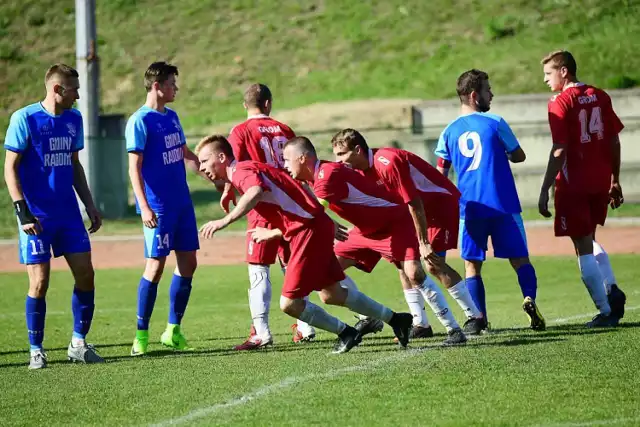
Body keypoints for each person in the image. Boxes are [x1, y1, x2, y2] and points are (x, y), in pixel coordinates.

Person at [195, 135, 414, 353]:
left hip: (306, 230)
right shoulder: (246, 168)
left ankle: (347, 333)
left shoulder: (241, 171)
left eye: (204, 161)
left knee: (289, 304)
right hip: (312, 226)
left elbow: (255, 191)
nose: (201, 168)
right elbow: (287, 189)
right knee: (333, 294)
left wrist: (225, 220)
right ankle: (396, 319)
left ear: (222, 157)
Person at [282, 137, 467, 345]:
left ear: (303, 158)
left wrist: (274, 233)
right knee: (325, 285)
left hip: (395, 223)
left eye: (286, 160)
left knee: (414, 273)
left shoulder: (327, 175)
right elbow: (316, 210)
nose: (284, 165)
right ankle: (377, 318)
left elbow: (312, 214)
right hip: (364, 232)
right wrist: (331, 223)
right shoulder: (311, 177)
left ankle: (455, 330)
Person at [331, 129, 486, 336]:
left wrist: (423, 241)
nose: (338, 161)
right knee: (403, 263)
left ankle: (475, 317)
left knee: (432, 264)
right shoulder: (357, 171)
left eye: (341, 154)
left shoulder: (388, 162)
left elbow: (415, 202)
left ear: (357, 150)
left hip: (438, 206)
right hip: (410, 210)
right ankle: (420, 324)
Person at [4, 63, 104, 369]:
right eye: (73, 88)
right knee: (40, 282)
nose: (78, 94)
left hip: (68, 215)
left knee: (86, 275)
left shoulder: (74, 118)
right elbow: (10, 168)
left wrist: (89, 204)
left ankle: (78, 343)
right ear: (57, 89)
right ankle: (36, 349)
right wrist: (23, 212)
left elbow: (75, 165)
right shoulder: (25, 118)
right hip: (36, 217)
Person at [435, 69, 546, 331]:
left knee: (472, 266)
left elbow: (440, 174)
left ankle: (479, 320)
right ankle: (529, 298)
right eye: (488, 90)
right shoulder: (495, 123)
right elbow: (519, 155)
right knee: (520, 260)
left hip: (470, 209)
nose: (492, 94)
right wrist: (502, 154)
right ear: (475, 95)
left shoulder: (448, 132)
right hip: (504, 205)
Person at [223, 83, 315, 350]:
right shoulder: (284, 129)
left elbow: (237, 166)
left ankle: (261, 331)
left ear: (245, 105)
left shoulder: (240, 131)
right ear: (268, 104)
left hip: (262, 202)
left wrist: (229, 190)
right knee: (292, 265)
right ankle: (305, 326)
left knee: (258, 268)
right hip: (289, 203)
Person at [538, 50, 626, 327]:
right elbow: (614, 140)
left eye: (548, 73)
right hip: (599, 181)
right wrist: (614, 178)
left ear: (564, 71)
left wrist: (545, 187)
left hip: (574, 184)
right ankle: (611, 288)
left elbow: (559, 149)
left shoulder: (560, 102)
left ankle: (606, 310)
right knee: (589, 237)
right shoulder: (600, 95)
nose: (545, 80)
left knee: (582, 247)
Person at [126, 62, 201, 356]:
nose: (175, 89)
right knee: (155, 267)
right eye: (171, 83)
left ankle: (172, 330)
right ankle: (140, 335)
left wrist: (210, 172)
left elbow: (184, 152)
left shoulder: (172, 117)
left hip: (182, 203)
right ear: (157, 86)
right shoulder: (140, 121)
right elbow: (134, 167)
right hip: (157, 207)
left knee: (189, 265)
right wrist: (143, 206)